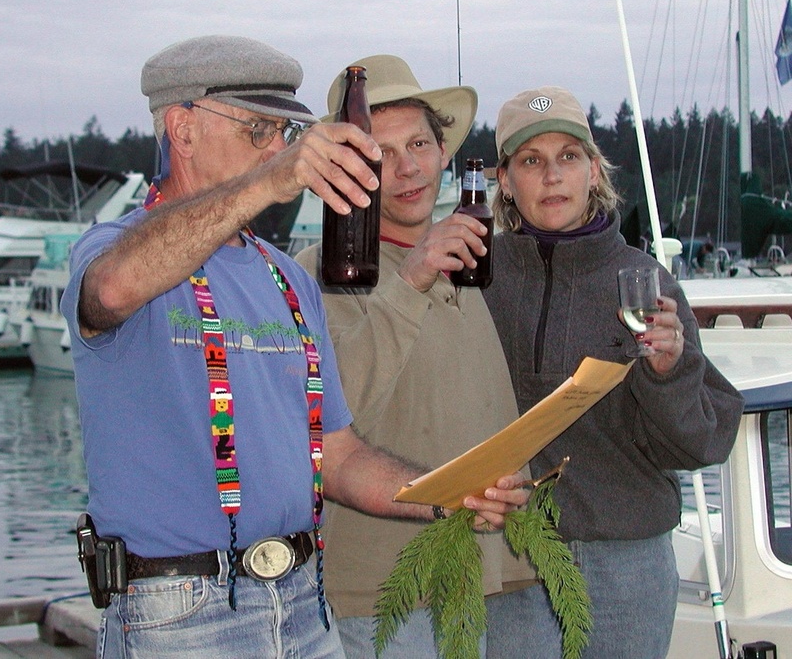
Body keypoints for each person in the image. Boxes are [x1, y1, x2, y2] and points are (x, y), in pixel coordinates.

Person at [60, 36, 526, 659]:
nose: (278, 148)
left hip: (305, 603)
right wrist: (270, 181)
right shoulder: (113, 249)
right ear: (182, 127)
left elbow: (337, 455)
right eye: (258, 128)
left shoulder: (288, 280)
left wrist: (448, 492)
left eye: (284, 132)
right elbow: (112, 289)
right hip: (177, 613)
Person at [481, 86, 744, 658]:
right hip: (509, 556)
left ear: (594, 171)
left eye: (568, 158)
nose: (552, 176)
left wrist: (669, 371)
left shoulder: (649, 285)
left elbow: (702, 442)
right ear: (505, 180)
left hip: (626, 565)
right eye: (531, 161)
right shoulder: (475, 281)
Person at [296, 55, 536, 658]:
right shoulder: (312, 273)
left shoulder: (474, 261)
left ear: (443, 153)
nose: (407, 168)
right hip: (383, 592)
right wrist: (415, 275)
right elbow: (331, 419)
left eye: (420, 144)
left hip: (490, 572)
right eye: (380, 152)